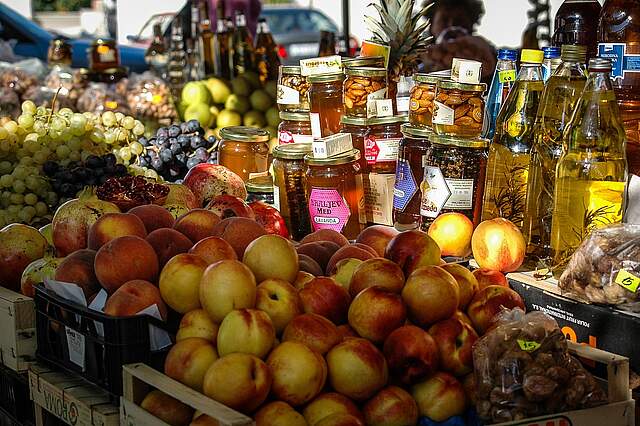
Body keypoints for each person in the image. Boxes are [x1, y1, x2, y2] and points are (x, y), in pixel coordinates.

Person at [421, 0, 497, 82]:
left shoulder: (483, 54)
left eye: (459, 21)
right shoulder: (415, 55)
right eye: (444, 20)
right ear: (431, 24)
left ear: (471, 25)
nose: (451, 26)